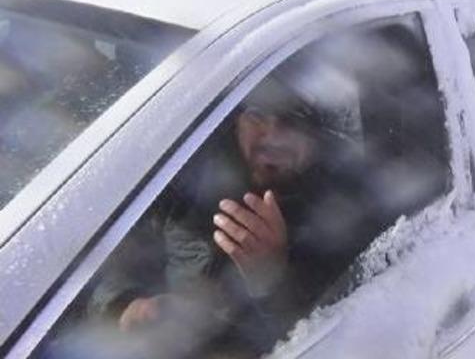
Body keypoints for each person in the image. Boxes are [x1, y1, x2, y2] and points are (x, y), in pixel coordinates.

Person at [82, 75, 381, 358]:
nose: (272, 136)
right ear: (235, 121)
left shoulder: (345, 212)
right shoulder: (183, 174)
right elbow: (104, 263)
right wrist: (126, 305)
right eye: (258, 115)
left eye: (295, 119)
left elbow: (336, 334)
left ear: (320, 137)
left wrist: (271, 277)